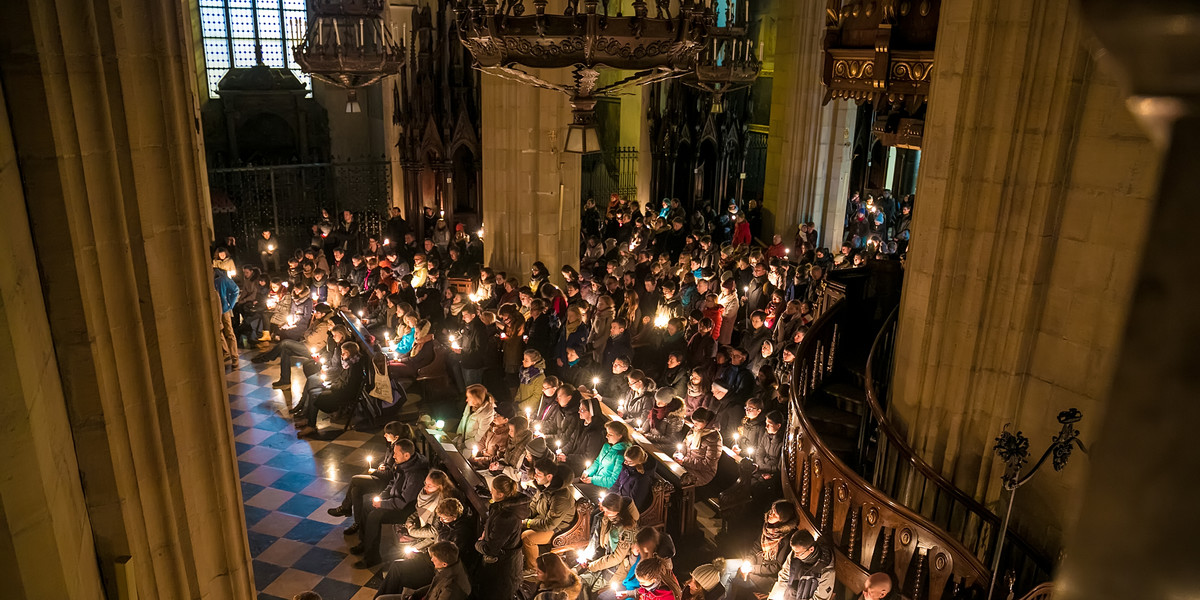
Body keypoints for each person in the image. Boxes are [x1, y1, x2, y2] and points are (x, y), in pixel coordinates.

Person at [352, 438, 431, 568]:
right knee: (367, 504)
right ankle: (364, 543)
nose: (393, 456)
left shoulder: (415, 475)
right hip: (395, 501)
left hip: (405, 510)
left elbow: (403, 503)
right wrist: (381, 496)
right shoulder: (404, 465)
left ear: (406, 455)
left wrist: (382, 504)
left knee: (374, 516)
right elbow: (392, 484)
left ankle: (372, 558)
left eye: (396, 453)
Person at [327, 421, 408, 532]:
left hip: (385, 483)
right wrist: (382, 465)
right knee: (356, 490)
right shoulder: (391, 446)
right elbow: (388, 465)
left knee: (355, 479)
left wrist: (374, 472)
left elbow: (391, 475)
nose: (384, 435)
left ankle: (345, 508)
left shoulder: (399, 450)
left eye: (387, 434)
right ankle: (358, 524)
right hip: (382, 477)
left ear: (396, 437)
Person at [728, 500, 800, 600]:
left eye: (775, 514)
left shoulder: (785, 540)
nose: (771, 514)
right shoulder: (767, 529)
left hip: (767, 577)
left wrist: (752, 569)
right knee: (730, 569)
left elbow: (776, 567)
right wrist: (748, 562)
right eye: (772, 510)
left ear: (783, 519)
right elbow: (755, 548)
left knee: (732, 578)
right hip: (756, 565)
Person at [294, 340, 367, 438]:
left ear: (350, 353)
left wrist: (330, 386)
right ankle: (308, 419)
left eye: (344, 353)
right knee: (312, 391)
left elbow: (347, 387)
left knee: (315, 394)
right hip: (338, 388)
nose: (342, 355)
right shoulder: (350, 362)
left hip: (343, 394)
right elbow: (342, 380)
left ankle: (311, 425)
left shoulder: (354, 368)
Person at [475, 475, 531, 600]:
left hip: (504, 568)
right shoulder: (502, 507)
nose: (490, 492)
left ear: (500, 494)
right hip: (504, 563)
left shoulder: (506, 517)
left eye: (492, 490)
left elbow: (491, 549)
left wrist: (479, 543)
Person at [521, 460, 577, 572]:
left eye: (539, 474)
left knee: (527, 537)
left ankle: (533, 569)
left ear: (549, 476)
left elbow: (549, 524)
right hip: (542, 520)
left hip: (559, 529)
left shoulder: (561, 497)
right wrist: (520, 517)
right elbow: (533, 507)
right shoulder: (543, 488)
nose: (535, 476)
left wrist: (527, 523)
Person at [580, 494, 640, 592]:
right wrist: (587, 557)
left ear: (617, 511)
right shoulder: (609, 518)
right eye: (604, 510)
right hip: (603, 556)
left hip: (618, 567)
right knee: (581, 580)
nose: (605, 514)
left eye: (608, 511)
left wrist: (594, 566)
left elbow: (617, 558)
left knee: (591, 588)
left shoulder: (627, 530)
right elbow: (598, 539)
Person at [375, 540, 471, 600]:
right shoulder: (448, 567)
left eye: (434, 558)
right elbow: (434, 585)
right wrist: (415, 594)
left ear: (444, 563)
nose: (432, 560)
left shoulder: (450, 589)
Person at [399, 470, 456, 551]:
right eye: (425, 483)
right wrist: (410, 520)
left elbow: (434, 531)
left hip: (431, 538)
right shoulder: (425, 494)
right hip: (420, 527)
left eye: (430, 486)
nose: (425, 487)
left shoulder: (441, 503)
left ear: (440, 487)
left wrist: (412, 531)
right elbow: (419, 511)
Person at [768, 530, 834, 600]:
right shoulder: (794, 556)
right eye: (794, 551)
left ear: (811, 549)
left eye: (799, 553)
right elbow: (783, 578)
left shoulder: (826, 569)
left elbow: (820, 598)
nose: (795, 555)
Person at [674, 408, 721, 488]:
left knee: (678, 482)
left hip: (702, 473)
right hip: (687, 465)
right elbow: (684, 444)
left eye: (696, 423)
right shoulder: (694, 430)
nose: (694, 425)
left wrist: (685, 461)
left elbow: (708, 465)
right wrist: (679, 454)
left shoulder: (714, 439)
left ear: (705, 422)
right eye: (693, 422)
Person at [581, 421, 632, 489]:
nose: (606, 436)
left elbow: (613, 481)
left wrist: (593, 480)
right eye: (607, 433)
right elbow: (597, 462)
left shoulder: (621, 454)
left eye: (610, 434)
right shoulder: (606, 446)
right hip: (594, 479)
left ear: (620, 436)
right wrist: (588, 472)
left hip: (604, 487)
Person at [611, 446, 657, 514]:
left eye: (629, 462)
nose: (625, 463)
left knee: (599, 517)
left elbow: (634, 503)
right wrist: (608, 497)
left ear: (638, 462)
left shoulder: (642, 478)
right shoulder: (625, 468)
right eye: (625, 459)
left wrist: (616, 506)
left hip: (628, 510)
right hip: (618, 502)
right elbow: (616, 485)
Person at [455, 384, 496, 451]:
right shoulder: (469, 406)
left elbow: (479, 437)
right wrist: (459, 437)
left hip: (472, 448)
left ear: (476, 399)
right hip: (462, 443)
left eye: (469, 397)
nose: (466, 400)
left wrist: (464, 445)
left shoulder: (487, 414)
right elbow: (463, 420)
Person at [214, 267, 240, 362]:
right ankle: (227, 353)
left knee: (228, 331)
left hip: (224, 309)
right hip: (218, 309)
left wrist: (230, 305)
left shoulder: (222, 279)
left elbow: (235, 290)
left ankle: (234, 356)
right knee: (220, 331)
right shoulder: (220, 278)